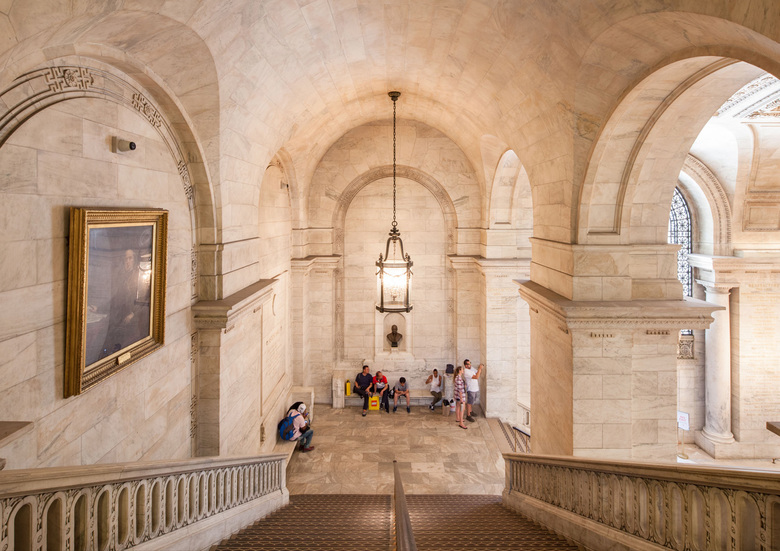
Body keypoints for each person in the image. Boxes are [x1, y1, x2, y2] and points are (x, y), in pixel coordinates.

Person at [453, 365, 467, 429]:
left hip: (457, 395)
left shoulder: (458, 377)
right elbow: (460, 389)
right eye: (462, 369)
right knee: (462, 409)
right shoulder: (458, 378)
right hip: (460, 396)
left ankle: (458, 418)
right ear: (460, 371)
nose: (463, 370)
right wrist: (461, 398)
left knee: (458, 406)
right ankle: (461, 423)